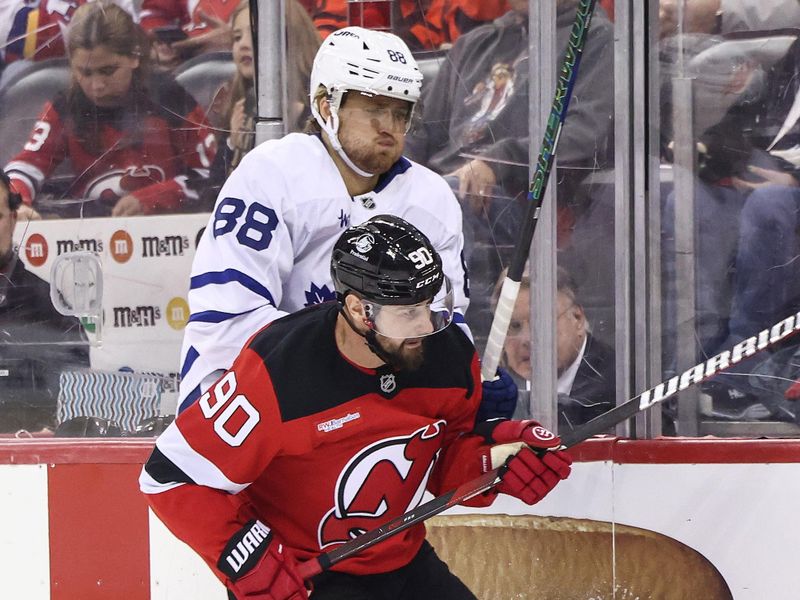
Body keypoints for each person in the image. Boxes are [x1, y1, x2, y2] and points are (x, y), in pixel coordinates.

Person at [140, 215, 572, 600]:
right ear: (357, 309)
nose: (425, 326)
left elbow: (441, 462)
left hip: (402, 562)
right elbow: (170, 477)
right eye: (407, 313)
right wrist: (243, 555)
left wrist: (498, 460)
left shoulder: (446, 355)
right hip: (307, 579)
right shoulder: (279, 370)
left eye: (428, 307)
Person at [177, 25, 514, 414]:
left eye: (400, 111)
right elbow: (230, 324)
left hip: (370, 417)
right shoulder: (271, 175)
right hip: (245, 414)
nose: (389, 124)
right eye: (373, 108)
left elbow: (435, 328)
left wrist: (461, 379)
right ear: (326, 107)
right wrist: (357, 369)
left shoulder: (430, 198)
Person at [3, 1, 217, 220]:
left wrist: (153, 199)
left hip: (167, 234)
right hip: (85, 236)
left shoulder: (172, 100)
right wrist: (17, 204)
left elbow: (210, 176)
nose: (96, 86)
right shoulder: (65, 107)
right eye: (85, 73)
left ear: (134, 57)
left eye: (108, 71)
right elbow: (24, 168)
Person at [0, 170, 89, 432]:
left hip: (27, 454)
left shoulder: (46, 302)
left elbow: (76, 386)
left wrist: (52, 429)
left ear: (14, 219)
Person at [479, 266, 615, 432]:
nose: (526, 339)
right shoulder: (494, 387)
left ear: (577, 319)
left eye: (541, 321)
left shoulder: (618, 384)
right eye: (514, 326)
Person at [206, 0, 321, 194]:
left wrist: (300, 123)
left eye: (254, 33)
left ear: (290, 38)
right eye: (236, 37)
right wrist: (232, 144)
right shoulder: (237, 107)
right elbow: (211, 196)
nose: (242, 44)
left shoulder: (322, 107)